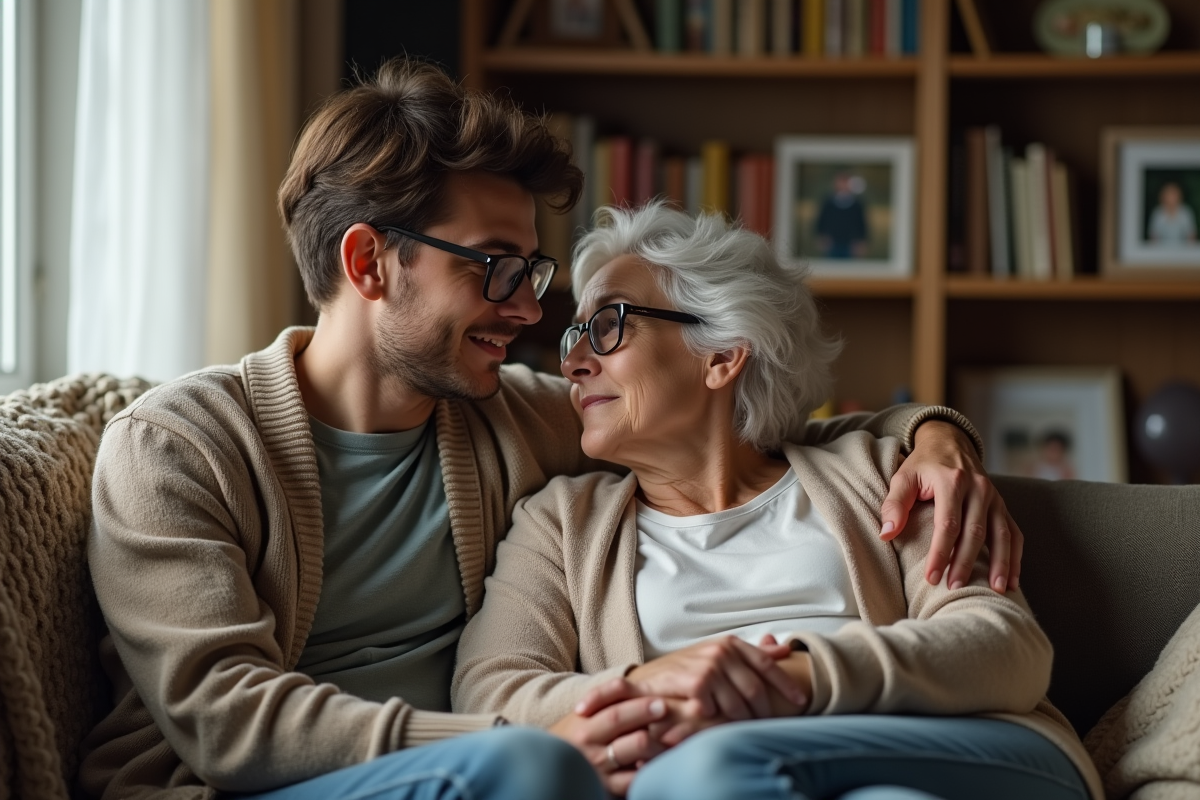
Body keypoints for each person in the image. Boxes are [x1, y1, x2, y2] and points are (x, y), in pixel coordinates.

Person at [80, 59, 1022, 800]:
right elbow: (223, 719)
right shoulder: (176, 448)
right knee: (544, 777)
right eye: (494, 268)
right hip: (265, 785)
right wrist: (519, 738)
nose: (530, 316)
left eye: (533, 274)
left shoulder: (510, 416)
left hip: (502, 771)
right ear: (369, 263)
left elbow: (743, 423)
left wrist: (934, 436)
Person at [453, 201, 1101, 800]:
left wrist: (797, 679)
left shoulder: (881, 475)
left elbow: (1005, 646)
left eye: (608, 325)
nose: (574, 363)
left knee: (708, 768)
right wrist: (662, 688)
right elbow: (492, 694)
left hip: (966, 752)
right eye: (574, 338)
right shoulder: (561, 524)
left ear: (723, 355)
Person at [815, 171, 868, 258]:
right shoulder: (828, 202)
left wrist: (861, 241)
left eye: (845, 182)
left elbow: (861, 223)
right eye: (841, 181)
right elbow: (821, 220)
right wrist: (821, 236)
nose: (843, 185)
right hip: (831, 242)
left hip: (851, 244)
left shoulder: (857, 204)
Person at [1147, 181, 1197, 245]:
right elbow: (1153, 236)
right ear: (1163, 196)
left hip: (1182, 250)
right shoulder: (1157, 213)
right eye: (1168, 194)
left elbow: (1191, 235)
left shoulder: (1186, 212)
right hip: (1161, 250)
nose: (1171, 197)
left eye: (1173, 194)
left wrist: (1189, 252)